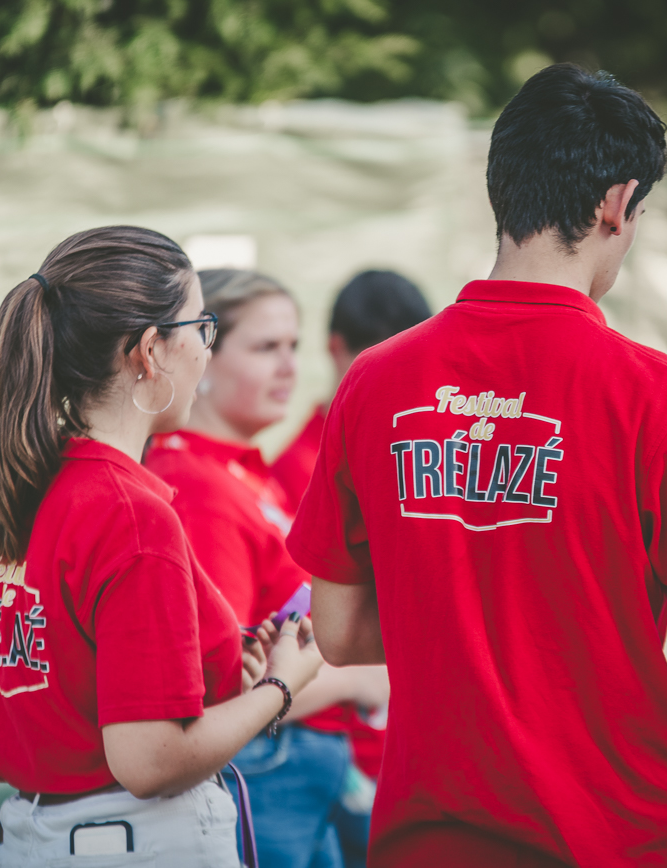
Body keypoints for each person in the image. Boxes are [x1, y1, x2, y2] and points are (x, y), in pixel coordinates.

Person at [286, 63, 667, 868]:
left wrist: (468, 613)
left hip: (431, 839)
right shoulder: (659, 397)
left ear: (503, 189)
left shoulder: (372, 383)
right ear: (618, 204)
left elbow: (340, 634)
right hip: (628, 836)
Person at [0, 228, 323, 868]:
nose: (206, 348)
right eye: (202, 326)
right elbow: (150, 761)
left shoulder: (1, 509)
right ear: (150, 351)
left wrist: (227, 678)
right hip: (137, 844)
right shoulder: (131, 514)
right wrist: (282, 687)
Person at [144, 269, 390, 868]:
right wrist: (359, 677)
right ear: (202, 357)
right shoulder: (195, 486)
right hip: (268, 768)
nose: (288, 367)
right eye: (264, 348)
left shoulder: (242, 474)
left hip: (301, 768)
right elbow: (217, 680)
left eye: (293, 346)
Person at [269, 269, 431, 868]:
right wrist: (364, 680)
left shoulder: (418, 451)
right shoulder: (301, 469)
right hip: (347, 753)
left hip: (402, 738)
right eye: (266, 348)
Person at [272, 269, 432, 516]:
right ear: (336, 348)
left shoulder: (428, 458)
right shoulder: (298, 473)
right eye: (380, 368)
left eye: (411, 367)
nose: (397, 385)